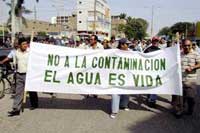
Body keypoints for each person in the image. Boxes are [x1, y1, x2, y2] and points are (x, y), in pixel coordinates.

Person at [8, 38, 38, 117]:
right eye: (23, 44)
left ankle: (34, 104)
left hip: (29, 74)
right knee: (18, 92)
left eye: (26, 44)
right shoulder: (16, 53)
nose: (25, 45)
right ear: (20, 45)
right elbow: (15, 63)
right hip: (19, 74)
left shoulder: (30, 52)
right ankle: (16, 109)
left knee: (31, 90)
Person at [173, 39, 200, 118]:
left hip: (190, 80)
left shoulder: (195, 54)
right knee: (180, 97)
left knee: (190, 97)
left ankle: (190, 108)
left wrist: (193, 67)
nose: (187, 47)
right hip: (180, 79)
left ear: (191, 45)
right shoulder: (179, 54)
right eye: (185, 45)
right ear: (182, 45)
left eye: (188, 45)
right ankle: (180, 110)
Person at [110, 38, 130, 119]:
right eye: (126, 44)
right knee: (115, 93)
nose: (128, 46)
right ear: (122, 45)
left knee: (126, 92)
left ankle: (123, 105)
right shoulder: (114, 52)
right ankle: (114, 111)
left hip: (126, 75)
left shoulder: (130, 52)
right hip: (116, 76)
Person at [143, 36, 160, 108]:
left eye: (157, 41)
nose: (155, 42)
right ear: (152, 42)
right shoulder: (147, 50)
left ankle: (152, 101)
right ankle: (149, 97)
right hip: (149, 71)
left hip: (157, 71)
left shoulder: (160, 50)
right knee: (150, 85)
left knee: (155, 86)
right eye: (154, 41)